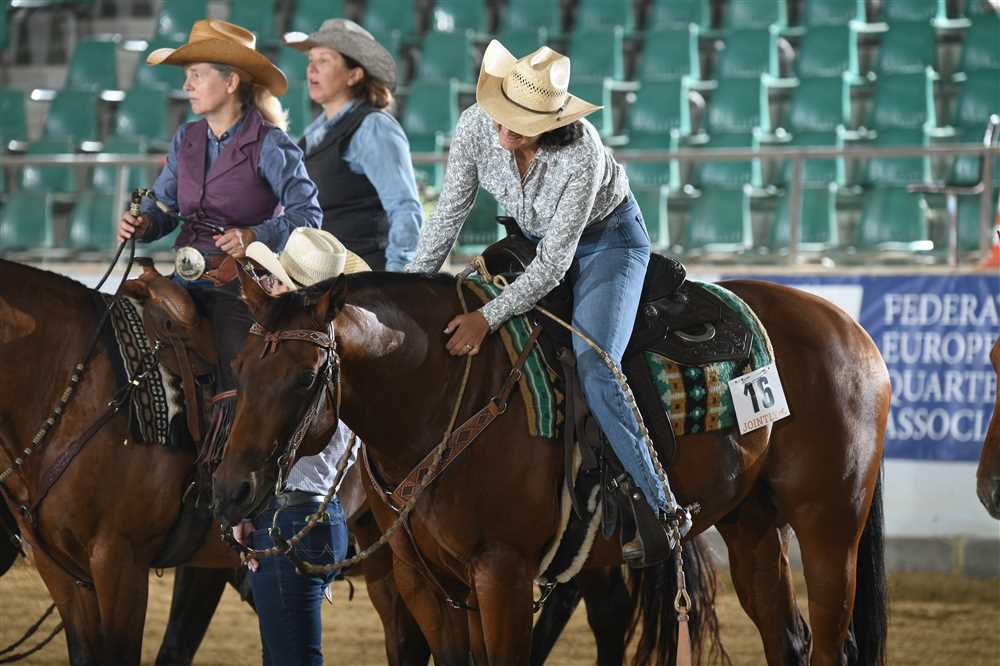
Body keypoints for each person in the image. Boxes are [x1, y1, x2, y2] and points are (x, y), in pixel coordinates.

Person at [405, 40, 691, 560]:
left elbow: (555, 265)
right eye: (503, 113)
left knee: (596, 362)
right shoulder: (475, 126)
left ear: (552, 121)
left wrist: (487, 318)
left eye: (522, 121)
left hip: (608, 243)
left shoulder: (582, 153)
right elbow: (447, 218)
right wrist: (410, 291)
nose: (505, 128)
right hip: (532, 238)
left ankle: (661, 505)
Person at [115, 19, 323, 424]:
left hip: (241, 286)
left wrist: (255, 235)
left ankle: (232, 450)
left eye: (196, 75)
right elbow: (163, 208)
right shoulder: (187, 139)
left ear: (230, 82)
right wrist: (144, 225)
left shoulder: (271, 144)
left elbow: (309, 215)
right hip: (183, 276)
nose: (187, 85)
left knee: (235, 381)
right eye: (187, 76)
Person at [235, 227, 369, 666]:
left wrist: (247, 511)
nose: (266, 285)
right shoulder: (332, 353)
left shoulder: (297, 362)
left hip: (289, 519)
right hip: (316, 517)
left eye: (274, 280)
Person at [284, 18, 422, 271]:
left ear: (354, 75)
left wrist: (396, 278)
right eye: (310, 60)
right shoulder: (312, 136)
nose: (312, 69)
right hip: (322, 277)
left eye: (324, 60)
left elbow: (404, 209)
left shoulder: (373, 128)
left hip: (364, 278)